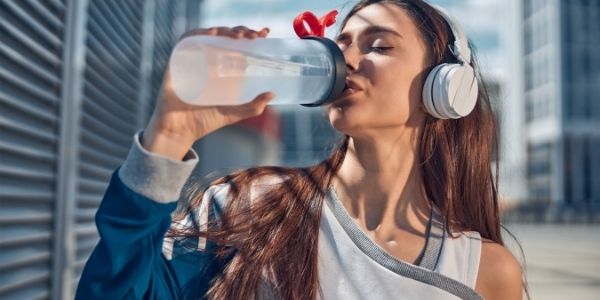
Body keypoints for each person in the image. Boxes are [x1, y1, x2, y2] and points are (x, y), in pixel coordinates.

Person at [75, 0, 525, 299]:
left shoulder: (482, 271)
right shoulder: (244, 207)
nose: (345, 60)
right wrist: (168, 139)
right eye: (340, 44)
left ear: (444, 88)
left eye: (379, 46)